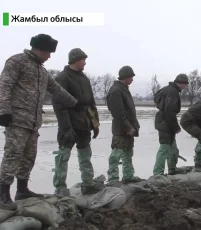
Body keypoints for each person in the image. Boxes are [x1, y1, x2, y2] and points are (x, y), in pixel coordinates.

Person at [0, 34, 78, 210]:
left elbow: (56, 88)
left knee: (29, 157)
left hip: (34, 123)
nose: (49, 56)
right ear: (39, 49)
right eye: (48, 52)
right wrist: (4, 110)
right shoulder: (17, 62)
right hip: (17, 120)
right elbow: (4, 85)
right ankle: (3, 194)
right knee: (13, 156)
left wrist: (74, 103)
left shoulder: (42, 71)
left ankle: (22, 189)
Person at [52, 48, 105, 197]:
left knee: (85, 154)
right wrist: (66, 128)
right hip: (69, 123)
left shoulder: (84, 78)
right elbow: (59, 105)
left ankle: (87, 183)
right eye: (83, 60)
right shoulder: (62, 77)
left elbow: (91, 103)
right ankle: (60, 186)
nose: (85, 63)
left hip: (84, 123)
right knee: (63, 156)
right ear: (75, 60)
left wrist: (95, 124)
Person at [106, 66, 142, 186]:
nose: (132, 79)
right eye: (131, 77)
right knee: (116, 154)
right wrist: (128, 127)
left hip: (129, 127)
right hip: (121, 129)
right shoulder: (116, 90)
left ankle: (128, 175)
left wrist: (134, 125)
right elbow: (118, 113)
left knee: (128, 152)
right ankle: (113, 179)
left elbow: (129, 111)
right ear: (125, 77)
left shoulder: (124, 89)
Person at [153, 74, 189, 175]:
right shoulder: (172, 92)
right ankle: (158, 173)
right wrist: (175, 127)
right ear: (180, 83)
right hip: (165, 121)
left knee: (173, 148)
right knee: (164, 148)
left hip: (163, 120)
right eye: (184, 84)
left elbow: (157, 98)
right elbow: (169, 111)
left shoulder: (167, 89)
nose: (185, 87)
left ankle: (172, 169)